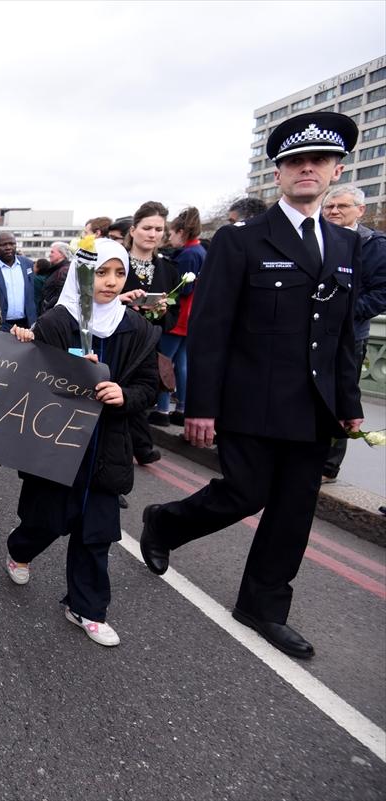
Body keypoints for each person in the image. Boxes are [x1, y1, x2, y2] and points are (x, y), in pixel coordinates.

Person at [139, 111, 364, 660]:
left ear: (335, 171)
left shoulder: (346, 244)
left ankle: (263, 607)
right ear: (278, 174)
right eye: (295, 161)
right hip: (251, 398)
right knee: (245, 493)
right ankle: (164, 523)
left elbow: (342, 332)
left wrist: (348, 401)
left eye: (319, 161)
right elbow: (211, 327)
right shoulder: (240, 241)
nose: (307, 169)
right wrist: (201, 406)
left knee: (294, 511)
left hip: (314, 406)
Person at [6, 239, 159, 646]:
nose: (110, 282)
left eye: (119, 273)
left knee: (97, 532)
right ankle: (19, 549)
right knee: (46, 521)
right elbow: (30, 380)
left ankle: (86, 607)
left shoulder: (137, 329)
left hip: (106, 449)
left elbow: (149, 386)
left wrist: (124, 395)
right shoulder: (55, 323)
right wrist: (35, 353)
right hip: (57, 445)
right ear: (80, 276)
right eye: (100, 273)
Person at [320, 186, 386, 481]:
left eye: (342, 206)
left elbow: (382, 293)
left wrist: (344, 312)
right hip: (310, 332)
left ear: (360, 210)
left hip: (350, 335)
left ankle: (328, 466)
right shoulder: (313, 238)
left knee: (341, 400)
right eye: (329, 206)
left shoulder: (375, 245)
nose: (334, 211)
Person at [120, 202, 178, 462]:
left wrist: (162, 312)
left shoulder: (168, 269)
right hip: (118, 341)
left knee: (142, 396)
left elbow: (173, 316)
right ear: (133, 230)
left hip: (148, 344)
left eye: (158, 229)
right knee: (117, 397)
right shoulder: (116, 261)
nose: (152, 234)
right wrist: (122, 302)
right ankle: (137, 449)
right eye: (147, 228)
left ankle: (141, 447)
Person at [156, 207, 204, 426]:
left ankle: (163, 408)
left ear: (181, 232)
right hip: (192, 316)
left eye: (172, 233)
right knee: (182, 363)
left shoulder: (188, 255)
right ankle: (182, 407)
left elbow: (182, 289)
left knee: (164, 362)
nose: (170, 238)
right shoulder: (200, 251)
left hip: (179, 316)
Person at [0, 232, 37, 330]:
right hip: (1, 325)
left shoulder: (28, 264)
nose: (8, 247)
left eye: (12, 244)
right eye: (3, 245)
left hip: (28, 323)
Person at [40, 242, 74, 315]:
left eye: (52, 252)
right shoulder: (57, 269)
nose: (50, 255)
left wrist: (47, 308)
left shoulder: (64, 270)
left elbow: (60, 295)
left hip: (52, 313)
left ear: (62, 254)